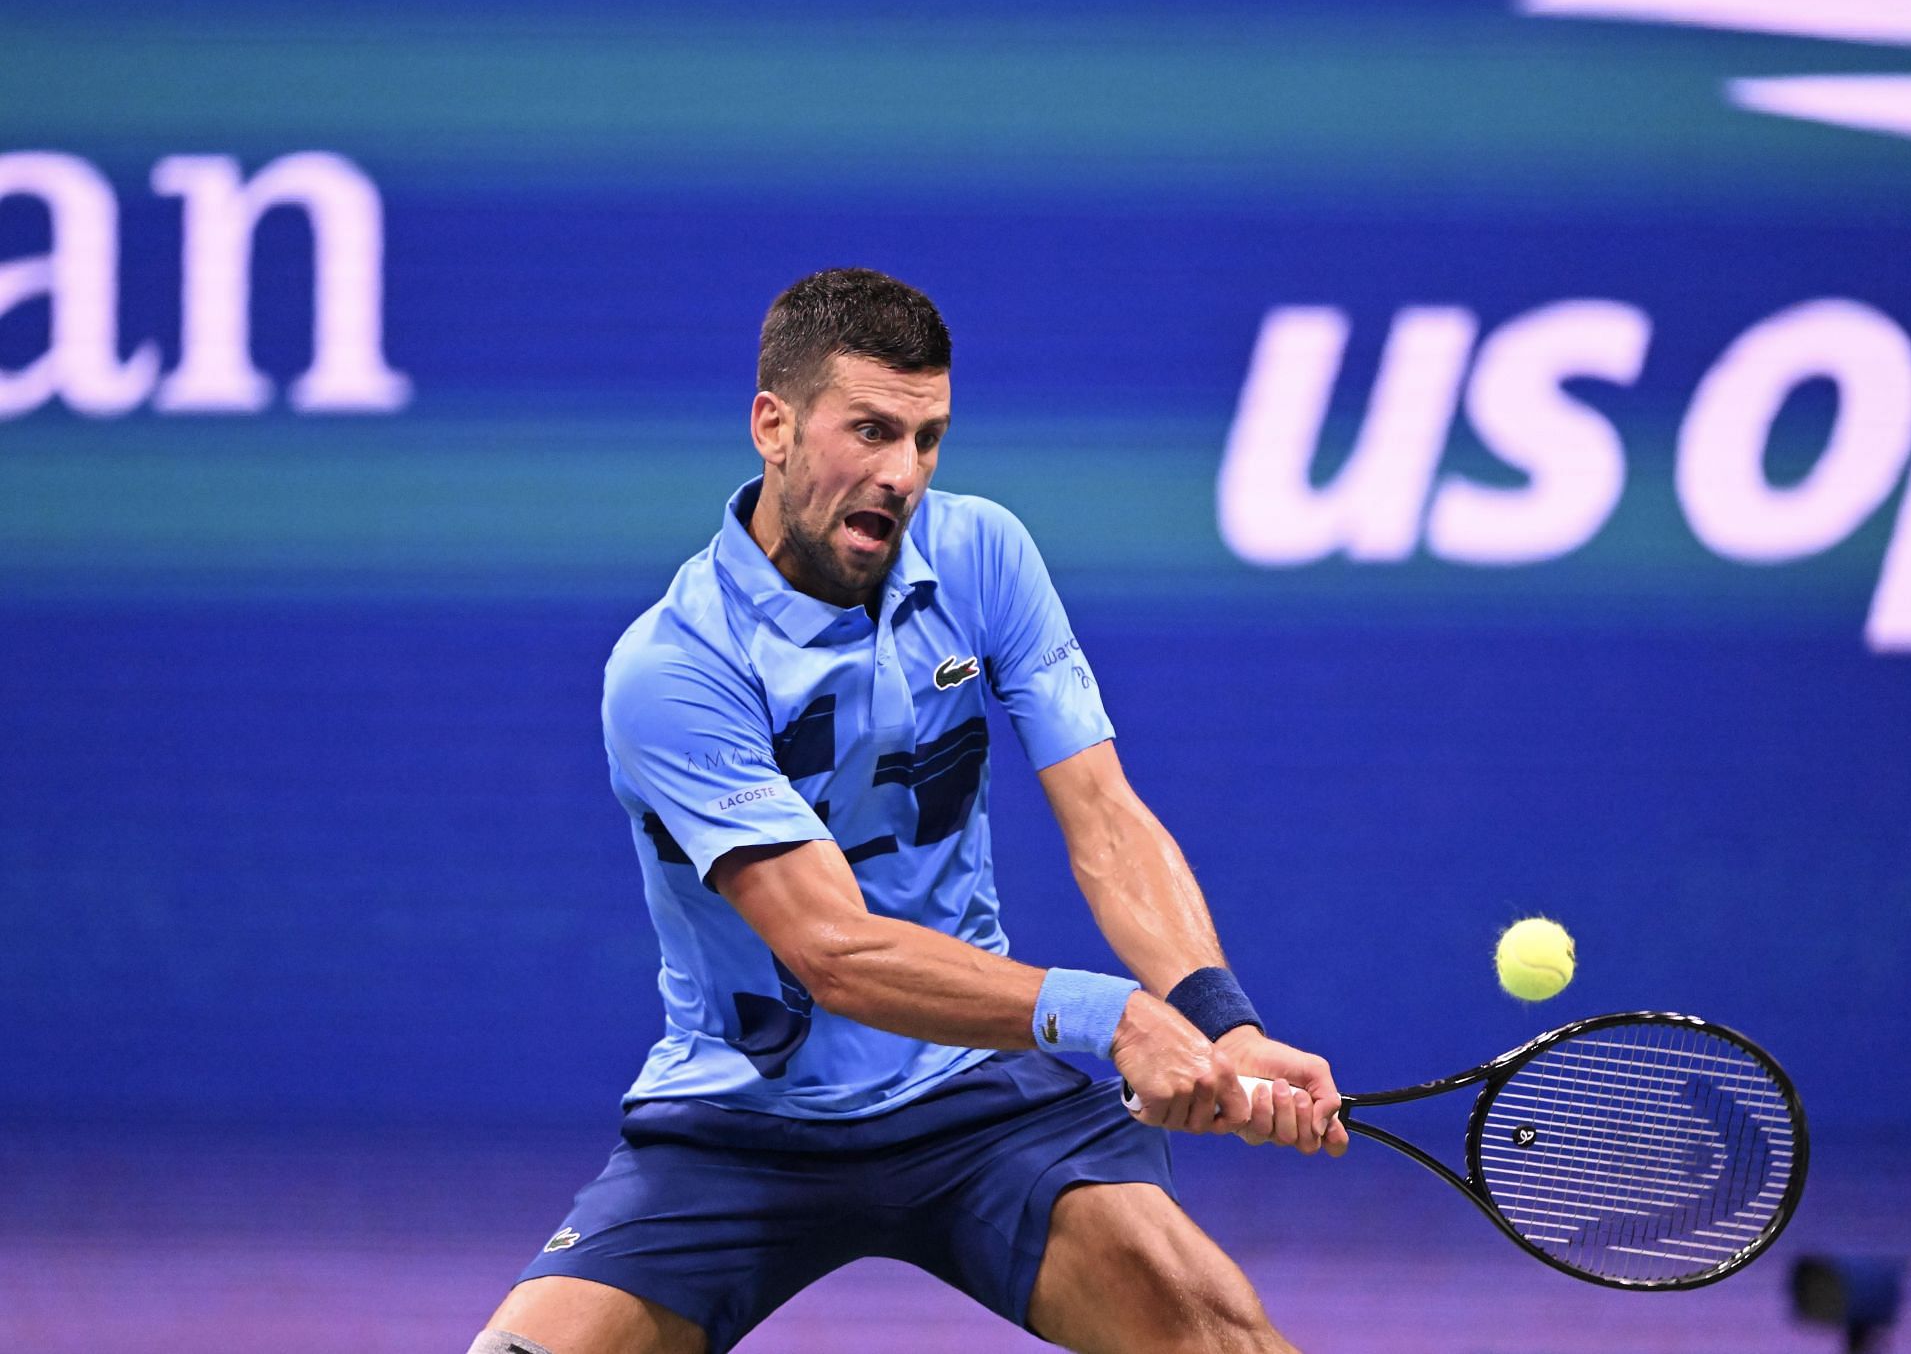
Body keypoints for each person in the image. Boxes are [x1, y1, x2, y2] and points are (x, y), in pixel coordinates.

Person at [471, 268, 1348, 1354]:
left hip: (972, 1095)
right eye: (872, 430)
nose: (903, 473)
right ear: (773, 425)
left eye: (928, 437)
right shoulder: (673, 666)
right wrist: (1113, 1014)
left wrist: (1225, 1021)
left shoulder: (984, 554)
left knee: (1221, 1338)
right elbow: (834, 952)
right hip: (742, 1118)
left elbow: (1108, 823)